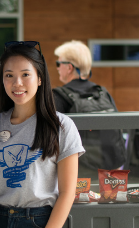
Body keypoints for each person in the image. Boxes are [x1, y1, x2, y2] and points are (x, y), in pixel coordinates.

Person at [0, 41, 85, 228]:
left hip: (40, 226)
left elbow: (68, 193)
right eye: (9, 75)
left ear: (40, 78)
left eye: (25, 74)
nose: (17, 83)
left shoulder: (61, 126)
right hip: (0, 224)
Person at [52, 40, 127, 180]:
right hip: (108, 175)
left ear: (69, 68)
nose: (57, 68)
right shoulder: (103, 93)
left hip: (77, 177)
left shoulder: (58, 96)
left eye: (58, 63)